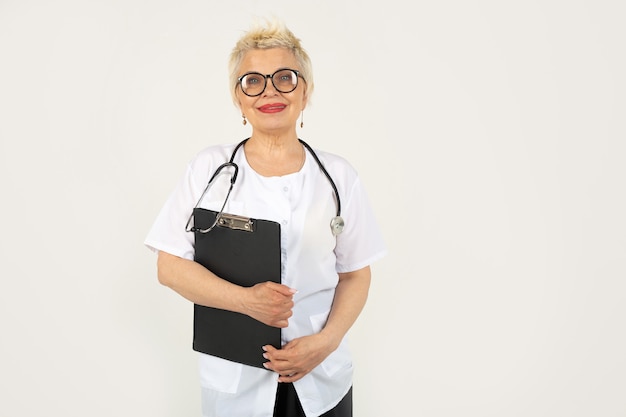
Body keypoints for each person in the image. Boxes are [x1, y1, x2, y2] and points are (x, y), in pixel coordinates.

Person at [144, 19, 386, 417]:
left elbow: (356, 273)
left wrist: (325, 343)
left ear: (305, 92)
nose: (269, 90)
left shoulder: (339, 177)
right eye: (252, 81)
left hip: (322, 378)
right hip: (236, 380)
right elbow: (169, 266)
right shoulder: (209, 169)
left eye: (284, 78)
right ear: (238, 99)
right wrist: (246, 301)